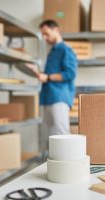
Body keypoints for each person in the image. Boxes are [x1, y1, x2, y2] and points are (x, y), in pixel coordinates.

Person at [27, 20, 77, 152]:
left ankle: (67, 170)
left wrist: (47, 77)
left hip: (59, 98)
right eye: (42, 35)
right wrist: (38, 72)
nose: (44, 38)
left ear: (56, 30)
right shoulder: (52, 51)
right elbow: (50, 75)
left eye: (46, 34)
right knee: (51, 138)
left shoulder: (65, 50)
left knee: (62, 137)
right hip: (48, 98)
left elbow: (70, 73)